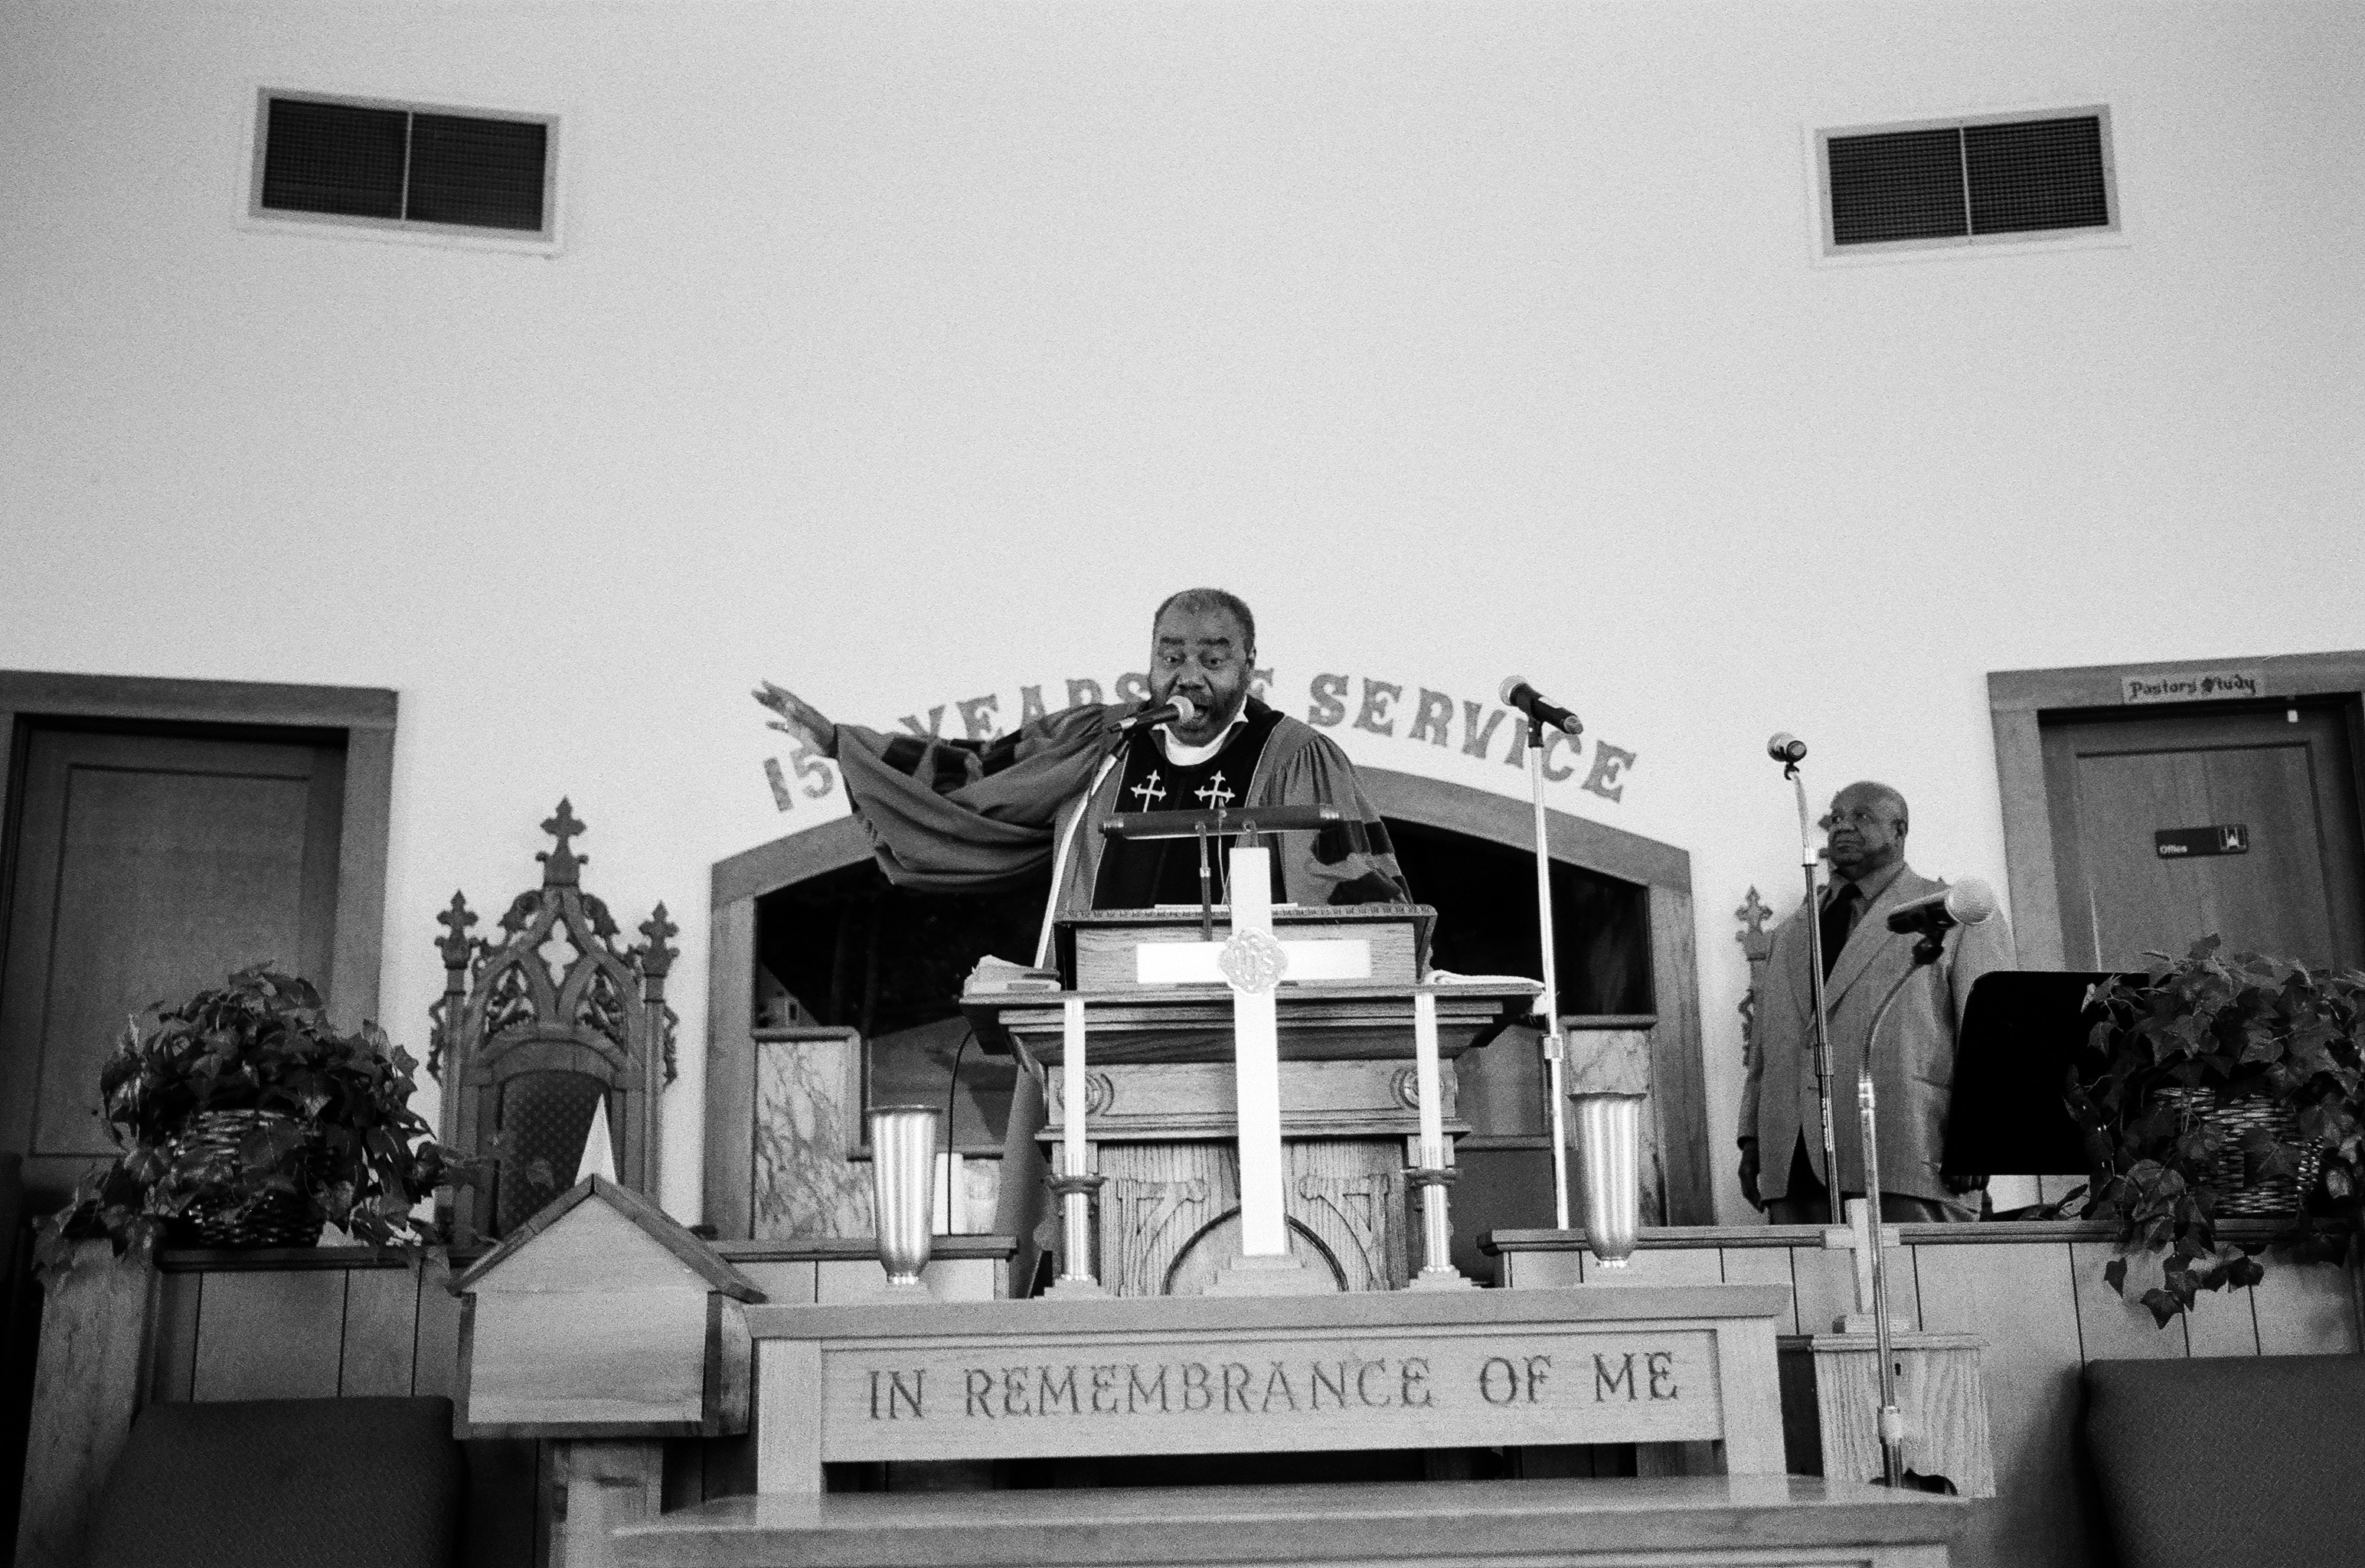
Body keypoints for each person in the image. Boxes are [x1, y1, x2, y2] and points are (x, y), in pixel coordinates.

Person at [753, 587, 1410, 966]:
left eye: (1213, 658)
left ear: (1249, 664)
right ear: (1149, 660)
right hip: (1096, 1023)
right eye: (1170, 655)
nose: (1188, 676)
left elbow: (1352, 904)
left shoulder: (1294, 756)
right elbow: (982, 778)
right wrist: (844, 746)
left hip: (1247, 1024)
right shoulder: (1104, 743)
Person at [1737, 781, 2014, 1224]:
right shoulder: (1792, 931)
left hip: (1908, 1145)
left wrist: (1979, 1139)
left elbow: (1994, 1035)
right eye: (1837, 817)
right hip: (1793, 1159)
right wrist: (1753, 1139)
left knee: (1923, 1290)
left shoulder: (1953, 911)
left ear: (1899, 829)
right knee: (1812, 1293)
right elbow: (1766, 1049)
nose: (1843, 825)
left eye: (1861, 816)